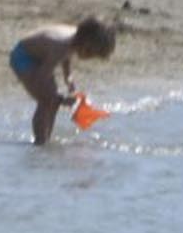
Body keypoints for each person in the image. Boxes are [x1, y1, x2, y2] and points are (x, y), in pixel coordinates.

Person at [7, 17, 116, 146]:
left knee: (52, 102)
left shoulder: (74, 40)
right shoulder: (61, 46)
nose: (88, 57)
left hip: (40, 56)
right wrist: (61, 98)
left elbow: (66, 56)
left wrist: (68, 80)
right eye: (89, 52)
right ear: (83, 42)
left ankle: (46, 138)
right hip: (23, 57)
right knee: (46, 100)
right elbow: (41, 77)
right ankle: (39, 142)